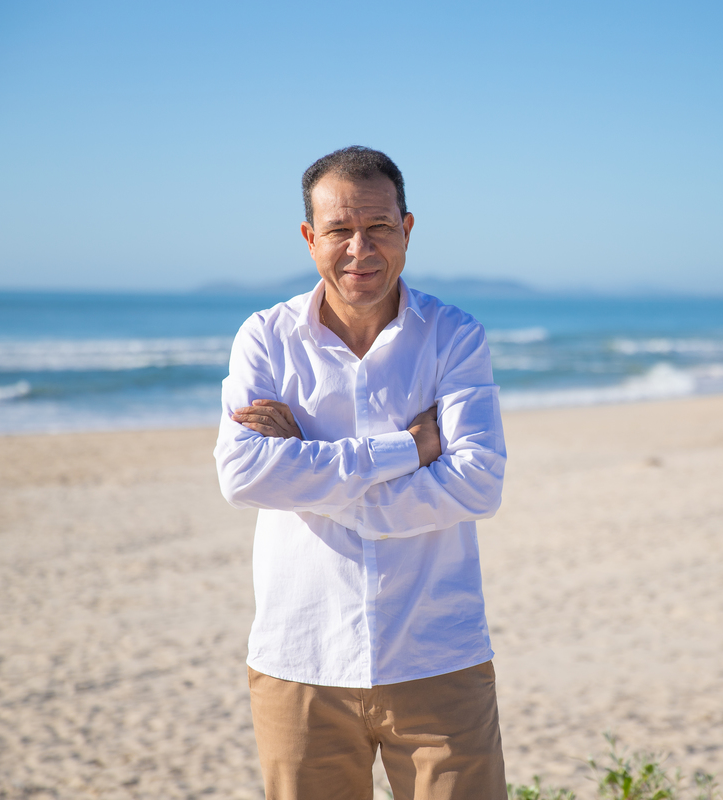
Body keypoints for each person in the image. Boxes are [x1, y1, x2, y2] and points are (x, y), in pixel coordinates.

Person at [213, 145, 508, 800]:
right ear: (309, 237)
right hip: (300, 662)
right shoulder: (265, 338)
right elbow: (242, 475)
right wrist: (407, 450)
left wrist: (319, 485)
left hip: (437, 656)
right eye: (340, 230)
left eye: (378, 228)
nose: (360, 249)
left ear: (406, 228)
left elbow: (480, 480)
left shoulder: (454, 336)